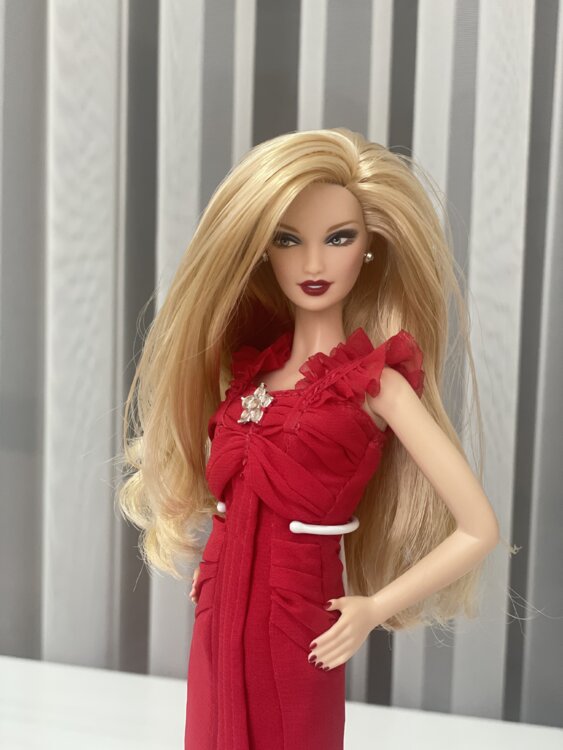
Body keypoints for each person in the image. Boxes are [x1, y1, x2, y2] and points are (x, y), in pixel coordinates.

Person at [117, 128, 507, 749]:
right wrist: (219, 564)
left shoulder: (375, 387)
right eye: (288, 239)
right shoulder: (248, 375)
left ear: (371, 246)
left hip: (302, 619)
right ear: (261, 250)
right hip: (220, 609)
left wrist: (372, 609)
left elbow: (478, 528)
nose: (314, 264)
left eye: (339, 238)